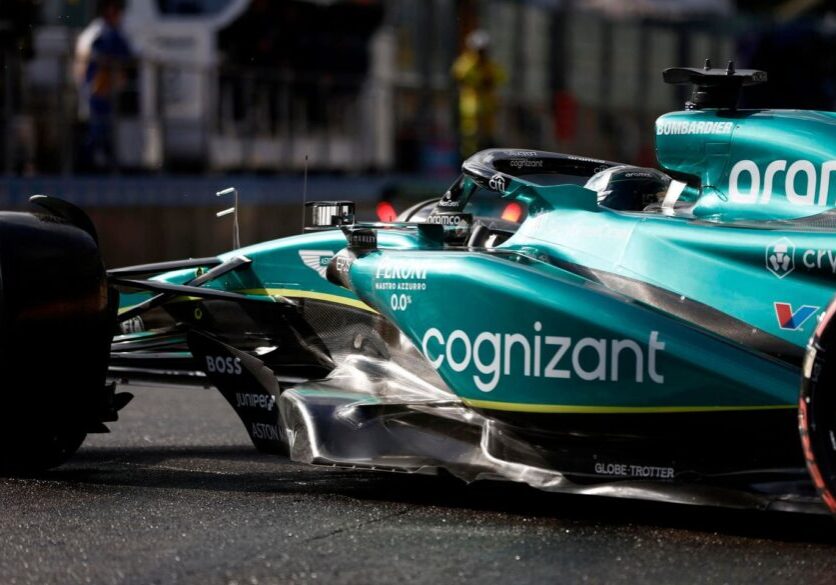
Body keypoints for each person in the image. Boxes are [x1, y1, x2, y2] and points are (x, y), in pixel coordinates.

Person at [75, 0, 133, 171]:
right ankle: (86, 167)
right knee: (99, 129)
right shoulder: (104, 33)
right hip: (99, 89)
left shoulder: (94, 31)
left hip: (95, 89)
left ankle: (103, 164)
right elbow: (123, 54)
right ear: (110, 10)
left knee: (102, 129)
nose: (121, 17)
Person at [452, 30, 505, 159]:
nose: (482, 53)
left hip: (488, 106)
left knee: (488, 135)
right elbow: (460, 75)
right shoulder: (466, 63)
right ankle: (468, 158)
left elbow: (500, 77)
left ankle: (487, 159)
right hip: (471, 106)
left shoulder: (490, 65)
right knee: (470, 135)